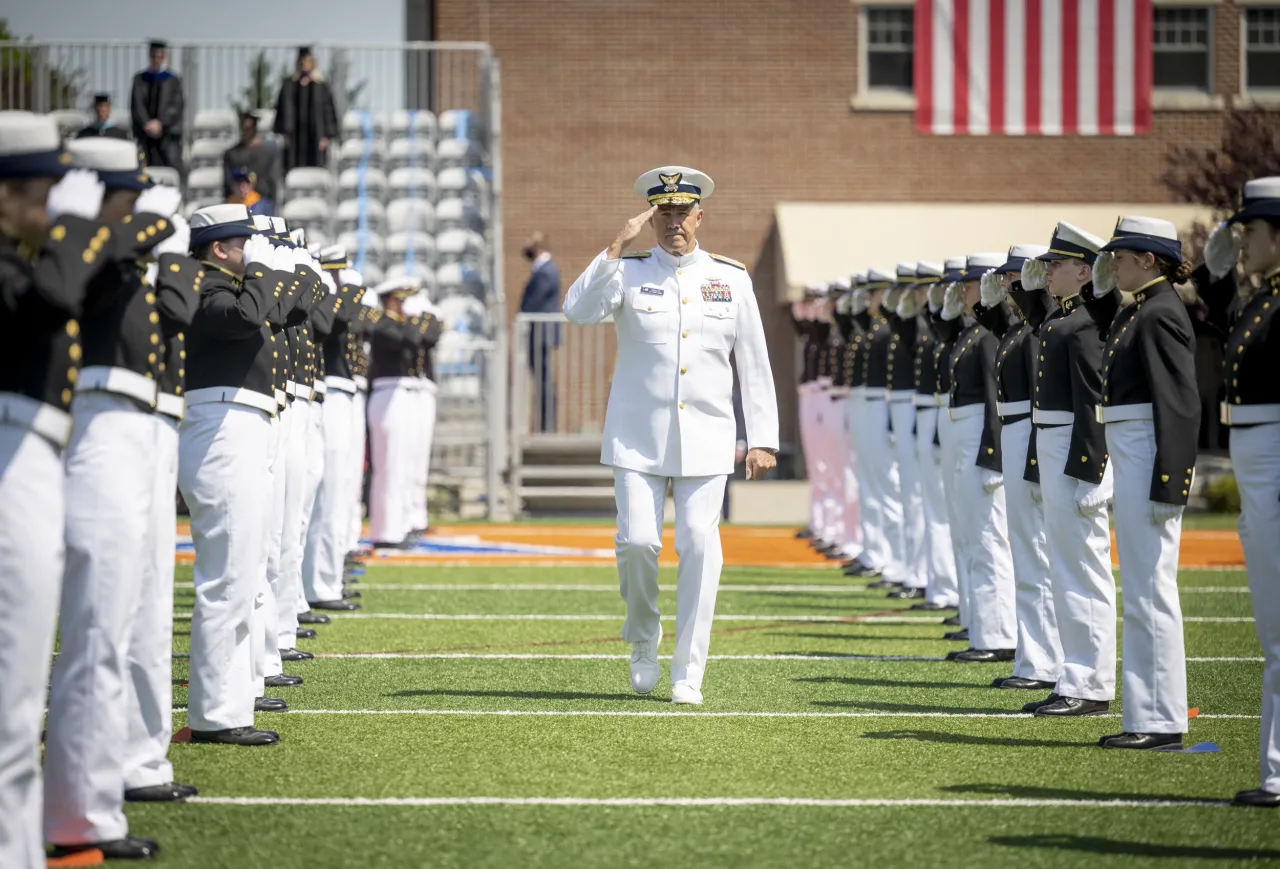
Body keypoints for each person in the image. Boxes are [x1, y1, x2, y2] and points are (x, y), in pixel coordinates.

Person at [562, 166, 778, 705]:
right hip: (638, 436)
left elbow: (754, 362)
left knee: (701, 548)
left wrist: (763, 437)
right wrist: (614, 248)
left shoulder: (731, 278)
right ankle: (643, 639)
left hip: (706, 436)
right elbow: (577, 311)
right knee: (638, 542)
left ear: (701, 216)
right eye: (665, 214)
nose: (674, 223)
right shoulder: (627, 271)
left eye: (683, 213)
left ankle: (688, 671)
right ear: (652, 218)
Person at [42, 138, 186, 862]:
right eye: (127, 192)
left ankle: (100, 792)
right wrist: (126, 222)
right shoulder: (86, 242)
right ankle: (79, 813)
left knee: (125, 616)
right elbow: (90, 263)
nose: (140, 206)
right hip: (98, 423)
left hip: (134, 425)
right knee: (95, 628)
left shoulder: (116, 247)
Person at [0, 111, 110, 869]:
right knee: (9, 701)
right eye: (45, 192)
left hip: (29, 445)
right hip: (10, 449)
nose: (53, 208)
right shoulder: (19, 263)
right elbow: (51, 301)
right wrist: (73, 231)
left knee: (16, 699)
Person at [1084, 216, 1199, 750]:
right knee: (1144, 587)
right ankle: (1149, 714)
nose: (1113, 266)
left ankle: (1159, 720)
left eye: (1121, 258)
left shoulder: (1157, 314)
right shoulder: (1140, 311)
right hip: (1133, 454)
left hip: (1149, 456)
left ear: (1148, 260)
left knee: (1151, 591)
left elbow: (1178, 403)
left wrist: (1170, 482)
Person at [178, 204, 288, 746]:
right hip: (221, 427)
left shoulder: (227, 282)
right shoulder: (204, 285)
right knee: (227, 579)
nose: (252, 252)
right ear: (219, 248)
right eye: (244, 243)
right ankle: (216, 715)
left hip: (239, 423)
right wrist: (264, 270)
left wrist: (261, 271)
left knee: (244, 574)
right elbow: (244, 318)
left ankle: (233, 702)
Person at [1200, 178, 1280, 806]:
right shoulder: (1259, 303)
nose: (1242, 242)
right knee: (1272, 629)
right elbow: (1219, 316)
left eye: (1250, 232)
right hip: (1256, 464)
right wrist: (1216, 271)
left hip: (1275, 460)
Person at [1013, 223, 1114, 718]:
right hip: (1053, 447)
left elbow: (1092, 402)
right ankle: (1074, 674)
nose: (1047, 271)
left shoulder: (1084, 325)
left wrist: (1094, 472)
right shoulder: (1061, 320)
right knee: (1065, 566)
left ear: (1084, 270)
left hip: (1072, 453)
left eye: (1057, 264)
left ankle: (1090, 682)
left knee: (1082, 569)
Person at [978, 243, 1061, 690]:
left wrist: (1031, 460)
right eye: (1007, 278)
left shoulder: (1035, 333)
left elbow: (1037, 401)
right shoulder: (1021, 329)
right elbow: (991, 322)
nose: (1009, 284)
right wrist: (988, 299)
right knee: (1027, 554)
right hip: (1015, 434)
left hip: (1027, 437)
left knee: (1036, 555)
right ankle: (1034, 659)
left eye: (1016, 277)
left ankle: (1043, 662)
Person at [937, 253, 1017, 663]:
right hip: (960, 433)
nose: (964, 291)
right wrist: (949, 314)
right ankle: (980, 625)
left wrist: (993, 456)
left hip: (977, 438)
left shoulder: (986, 337)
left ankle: (999, 634)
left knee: (987, 538)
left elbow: (992, 400)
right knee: (970, 535)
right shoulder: (971, 332)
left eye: (968, 285)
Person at [520, 231, 562, 432]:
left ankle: (547, 426)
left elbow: (533, 302)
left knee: (544, 381)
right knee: (541, 380)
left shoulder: (546, 271)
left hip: (541, 335)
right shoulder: (543, 270)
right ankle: (544, 424)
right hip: (539, 335)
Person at [274, 46, 339, 173]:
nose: (304, 64)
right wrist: (284, 132)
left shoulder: (321, 87)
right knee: (294, 167)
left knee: (316, 168)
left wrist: (326, 136)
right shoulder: (289, 86)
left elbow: (329, 112)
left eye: (307, 61)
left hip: (316, 136)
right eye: (302, 61)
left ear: (313, 63)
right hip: (294, 138)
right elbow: (282, 110)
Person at [129, 40, 184, 172]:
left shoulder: (173, 79)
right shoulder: (140, 79)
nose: (156, 58)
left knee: (169, 170)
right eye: (154, 55)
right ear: (150, 55)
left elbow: (176, 106)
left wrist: (160, 123)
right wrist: (146, 123)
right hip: (145, 135)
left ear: (163, 57)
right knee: (144, 168)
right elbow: (136, 104)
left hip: (167, 136)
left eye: (159, 56)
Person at [223, 112, 281, 206]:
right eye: (244, 128)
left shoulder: (267, 153)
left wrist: (252, 192)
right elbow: (227, 182)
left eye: (249, 128)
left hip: (261, 201)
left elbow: (271, 182)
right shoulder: (232, 154)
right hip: (237, 202)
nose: (246, 131)